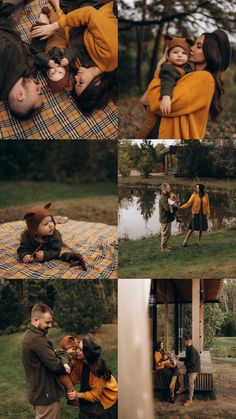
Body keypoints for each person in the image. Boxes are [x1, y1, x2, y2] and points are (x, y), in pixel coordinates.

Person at [139, 29, 231, 139]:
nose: (191, 48)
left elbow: (157, 105)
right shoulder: (186, 76)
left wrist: (159, 70)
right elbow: (145, 99)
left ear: (210, 52)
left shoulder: (204, 78)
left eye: (198, 46)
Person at [30, 0, 118, 114]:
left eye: (76, 83)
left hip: (73, 10)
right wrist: (54, 26)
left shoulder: (78, 65)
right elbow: (89, 13)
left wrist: (57, 8)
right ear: (97, 83)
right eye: (80, 82)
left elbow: (68, 32)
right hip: (95, 5)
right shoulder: (111, 53)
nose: (76, 78)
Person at [0, 0, 44, 120]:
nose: (39, 86)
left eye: (38, 92)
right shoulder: (29, 72)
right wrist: (42, 27)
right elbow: (34, 52)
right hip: (10, 24)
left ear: (20, 95)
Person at [21, 303, 66, 418]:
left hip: (39, 392)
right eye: (47, 322)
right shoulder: (37, 339)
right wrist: (65, 358)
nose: (50, 325)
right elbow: (57, 366)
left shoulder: (31, 335)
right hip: (45, 394)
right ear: (36, 320)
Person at [67, 333, 118, 418]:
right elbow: (74, 380)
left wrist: (78, 395)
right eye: (77, 348)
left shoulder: (97, 371)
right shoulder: (79, 361)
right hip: (91, 393)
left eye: (80, 349)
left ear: (87, 352)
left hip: (104, 400)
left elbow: (94, 396)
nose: (77, 351)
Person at [30, 7, 76, 94]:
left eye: (52, 73)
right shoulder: (67, 63)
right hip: (60, 34)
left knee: (41, 25)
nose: (55, 69)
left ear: (48, 75)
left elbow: (37, 55)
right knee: (56, 19)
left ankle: (43, 16)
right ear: (66, 72)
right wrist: (67, 58)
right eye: (60, 72)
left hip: (46, 38)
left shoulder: (45, 66)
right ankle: (50, 12)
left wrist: (48, 61)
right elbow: (72, 51)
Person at [159, 36, 194, 115]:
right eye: (175, 52)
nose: (179, 55)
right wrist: (166, 98)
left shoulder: (188, 68)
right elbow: (167, 82)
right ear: (168, 55)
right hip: (168, 100)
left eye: (184, 53)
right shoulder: (168, 68)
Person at [56, 335, 80, 407]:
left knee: (68, 386)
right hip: (62, 375)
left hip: (63, 373)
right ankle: (71, 400)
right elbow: (64, 359)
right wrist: (66, 365)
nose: (74, 351)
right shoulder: (62, 352)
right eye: (73, 348)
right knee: (69, 386)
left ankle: (69, 397)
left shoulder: (66, 352)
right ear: (66, 346)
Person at [177, 338, 200, 407]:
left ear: (188, 342)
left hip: (193, 369)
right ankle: (183, 387)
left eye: (185, 342)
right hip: (189, 368)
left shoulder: (192, 350)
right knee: (179, 373)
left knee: (191, 383)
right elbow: (187, 359)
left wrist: (184, 366)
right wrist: (179, 358)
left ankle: (190, 399)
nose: (184, 343)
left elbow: (191, 361)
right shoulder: (188, 349)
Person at [159, 183, 175, 252]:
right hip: (165, 218)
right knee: (165, 234)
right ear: (164, 189)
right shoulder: (163, 198)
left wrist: (173, 199)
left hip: (168, 217)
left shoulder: (167, 196)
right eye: (168, 188)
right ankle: (163, 248)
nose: (170, 189)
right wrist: (174, 204)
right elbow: (167, 209)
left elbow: (172, 202)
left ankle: (165, 245)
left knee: (167, 233)